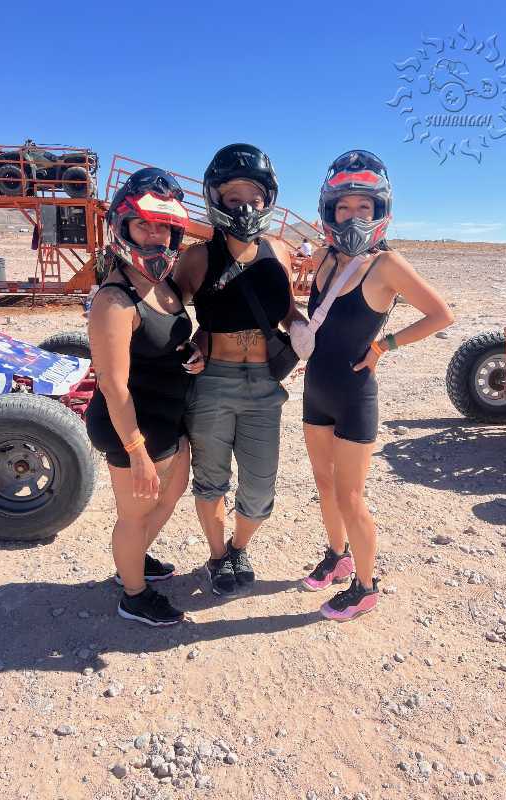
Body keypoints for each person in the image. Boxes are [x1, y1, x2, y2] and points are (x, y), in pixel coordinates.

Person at [300, 149, 454, 621]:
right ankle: (338, 555)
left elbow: (441, 315)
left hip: (354, 396)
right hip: (316, 390)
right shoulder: (324, 258)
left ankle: (366, 588)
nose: (353, 216)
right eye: (343, 207)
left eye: (363, 207)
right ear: (329, 211)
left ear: (379, 210)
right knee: (324, 483)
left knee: (350, 496)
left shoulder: (386, 265)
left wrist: (384, 344)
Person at [174, 144, 305, 596]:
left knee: (261, 486)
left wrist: (302, 329)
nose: (245, 206)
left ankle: (238, 547)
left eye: (255, 196)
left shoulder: (280, 251)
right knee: (211, 480)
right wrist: (189, 346)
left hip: (265, 385)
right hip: (213, 382)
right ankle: (217, 558)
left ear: (268, 200)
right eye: (233, 197)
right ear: (215, 198)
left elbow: (286, 310)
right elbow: (168, 312)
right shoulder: (197, 258)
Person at [85, 168, 204, 627]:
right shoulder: (114, 300)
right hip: (131, 425)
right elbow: (113, 385)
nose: (154, 235)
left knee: (169, 496)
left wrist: (191, 351)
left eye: (163, 227)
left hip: (167, 416)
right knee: (134, 516)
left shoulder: (163, 284)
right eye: (143, 225)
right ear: (123, 227)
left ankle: (132, 560)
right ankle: (132, 594)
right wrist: (135, 451)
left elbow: (165, 338)